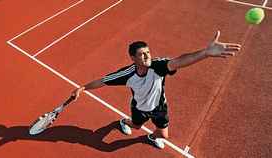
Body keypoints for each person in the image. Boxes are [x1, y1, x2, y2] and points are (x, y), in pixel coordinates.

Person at [70, 31, 241, 149]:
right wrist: (83, 88)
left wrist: (205, 53)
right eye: (142, 54)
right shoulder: (127, 74)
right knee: (135, 126)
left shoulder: (158, 66)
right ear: (132, 58)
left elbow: (179, 61)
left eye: (148, 52)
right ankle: (123, 122)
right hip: (139, 108)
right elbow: (103, 81)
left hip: (159, 108)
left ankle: (151, 137)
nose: (147, 56)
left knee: (164, 135)